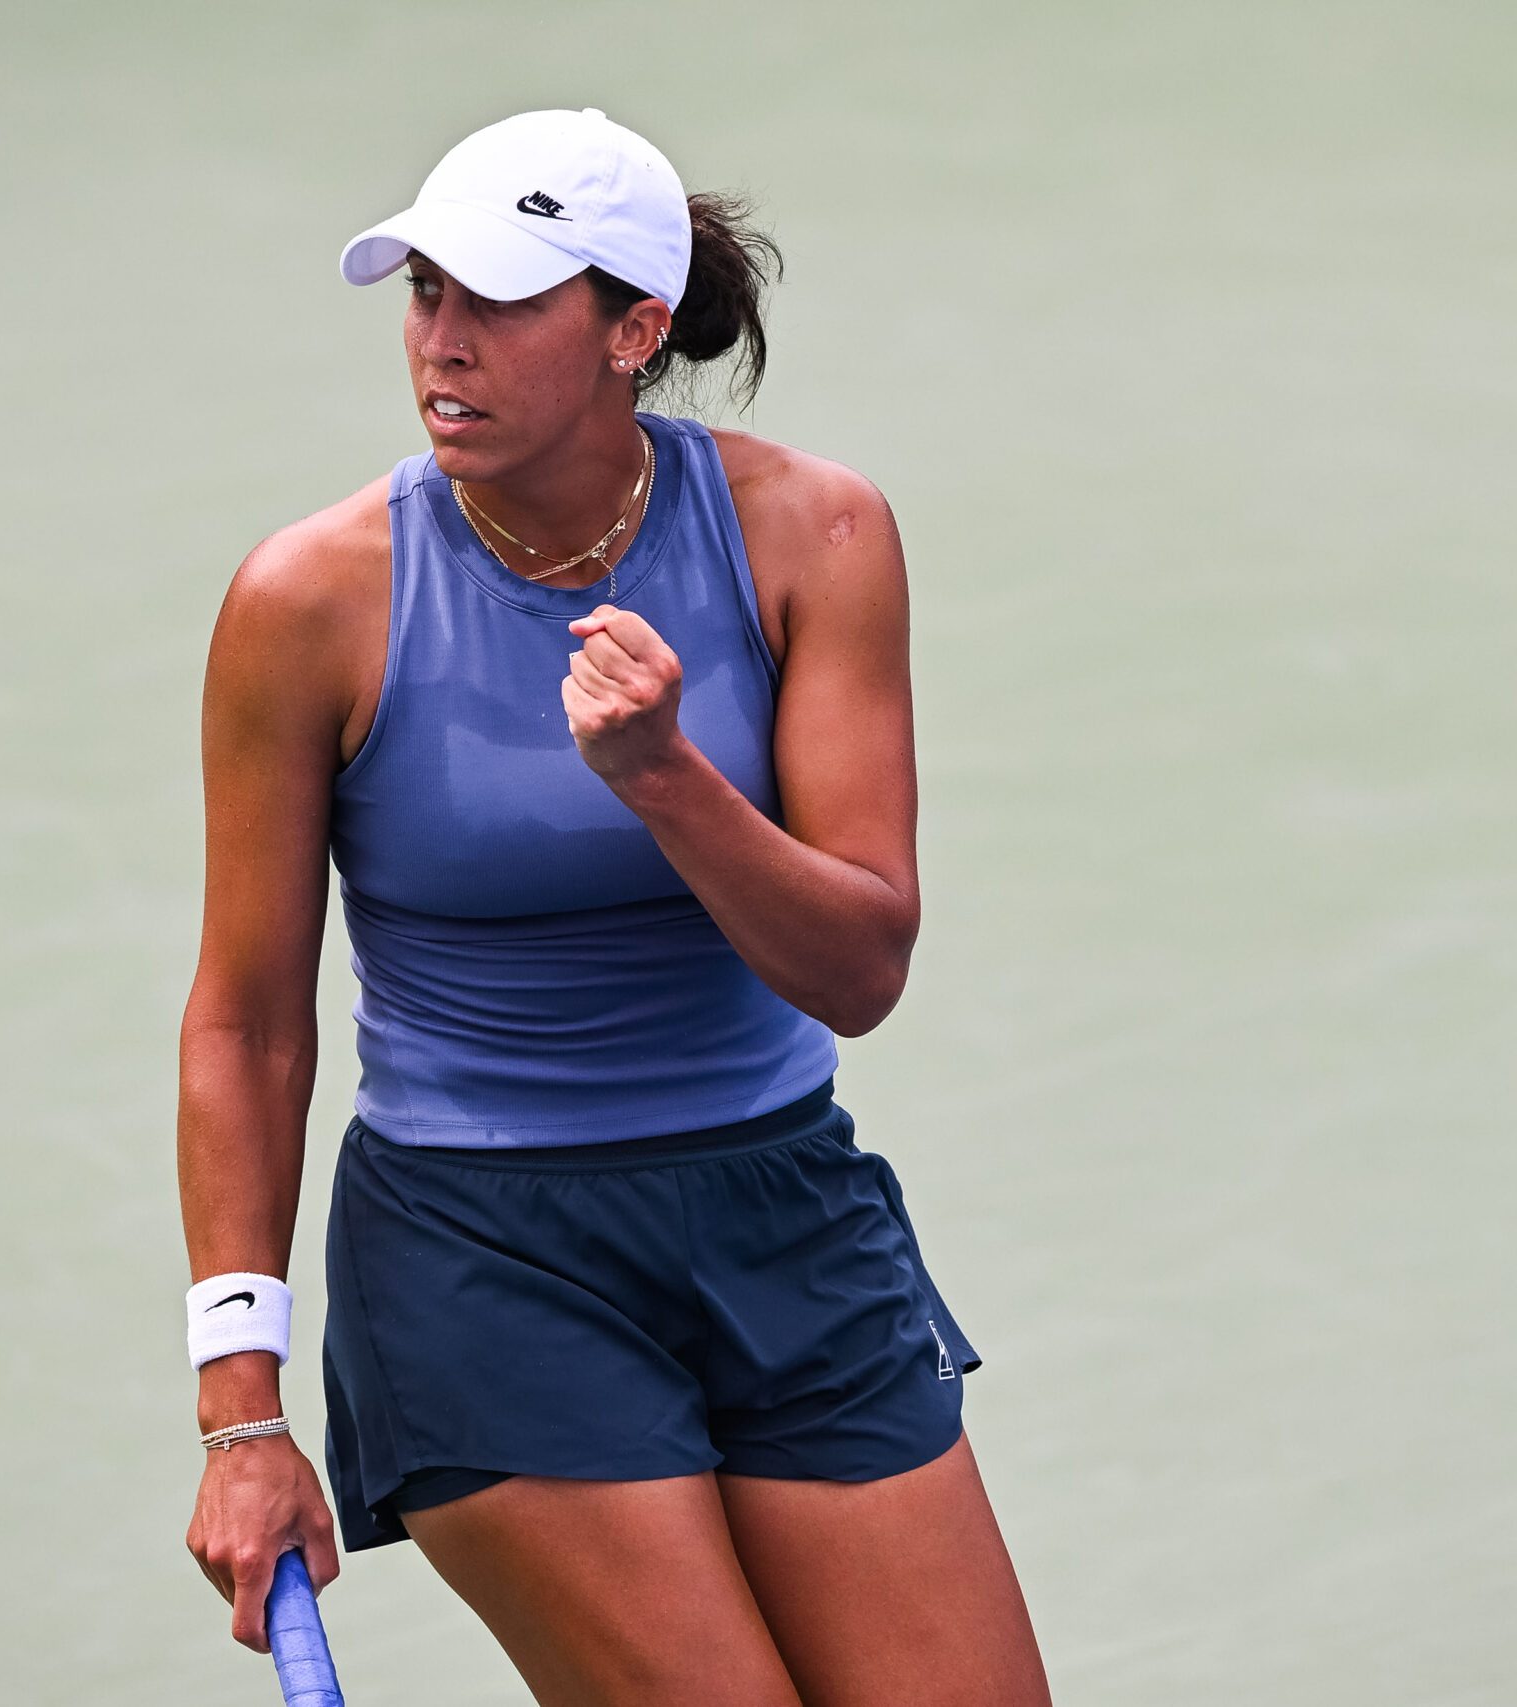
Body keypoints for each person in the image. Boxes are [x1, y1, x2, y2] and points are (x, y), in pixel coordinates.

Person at [175, 108, 1053, 1705]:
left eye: (497, 304)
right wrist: (243, 1418)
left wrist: (667, 781)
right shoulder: (308, 603)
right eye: (425, 295)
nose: (441, 346)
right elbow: (245, 1024)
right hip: (479, 1255)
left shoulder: (815, 534)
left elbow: (859, 967)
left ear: (633, 330)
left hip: (788, 1219)